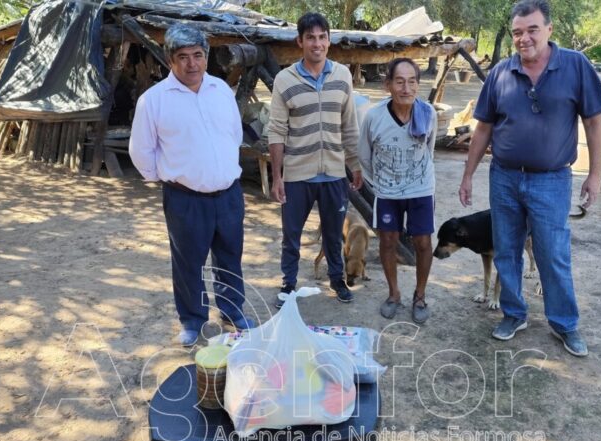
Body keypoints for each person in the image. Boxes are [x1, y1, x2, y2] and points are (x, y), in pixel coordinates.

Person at [459, 0, 601, 356]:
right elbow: (483, 129)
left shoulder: (575, 65)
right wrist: (468, 175)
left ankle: (564, 323)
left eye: (532, 30)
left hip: (552, 180)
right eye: (517, 32)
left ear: (549, 30)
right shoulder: (500, 72)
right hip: (505, 178)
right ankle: (514, 314)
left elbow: (593, 122)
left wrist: (595, 175)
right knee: (507, 250)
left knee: (552, 253)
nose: (523, 38)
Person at [129, 24, 255, 346]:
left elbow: (234, 135)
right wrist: (170, 178)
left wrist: (219, 170)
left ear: (206, 56)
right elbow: (141, 152)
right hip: (185, 199)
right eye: (183, 57)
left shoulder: (221, 90)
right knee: (188, 263)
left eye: (198, 55)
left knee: (230, 256)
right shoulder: (153, 101)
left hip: (228, 195)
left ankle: (232, 310)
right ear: (170, 60)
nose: (192, 63)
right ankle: (193, 320)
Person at [267, 12, 363, 308]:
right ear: (300, 41)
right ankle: (288, 283)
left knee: (334, 234)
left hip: (334, 172)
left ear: (329, 41)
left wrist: (355, 164)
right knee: (291, 235)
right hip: (297, 174)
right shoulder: (285, 80)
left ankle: (337, 280)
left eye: (322, 37)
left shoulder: (342, 76)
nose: (317, 43)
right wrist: (277, 176)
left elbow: (349, 125)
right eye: (310, 37)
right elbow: (276, 130)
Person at [357, 58, 437, 324]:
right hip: (387, 192)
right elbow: (365, 155)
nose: (406, 88)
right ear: (387, 85)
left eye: (412, 82)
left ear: (418, 84)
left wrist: (416, 178)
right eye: (399, 82)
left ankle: (420, 296)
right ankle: (393, 294)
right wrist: (381, 182)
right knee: (388, 241)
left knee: (423, 243)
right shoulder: (374, 117)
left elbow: (429, 149)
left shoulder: (428, 113)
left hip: (421, 189)